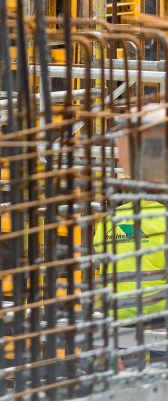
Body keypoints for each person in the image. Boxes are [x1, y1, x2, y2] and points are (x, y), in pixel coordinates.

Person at [93, 107, 168, 323]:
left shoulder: (108, 220)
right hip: (155, 310)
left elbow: (100, 262)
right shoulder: (163, 218)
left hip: (115, 310)